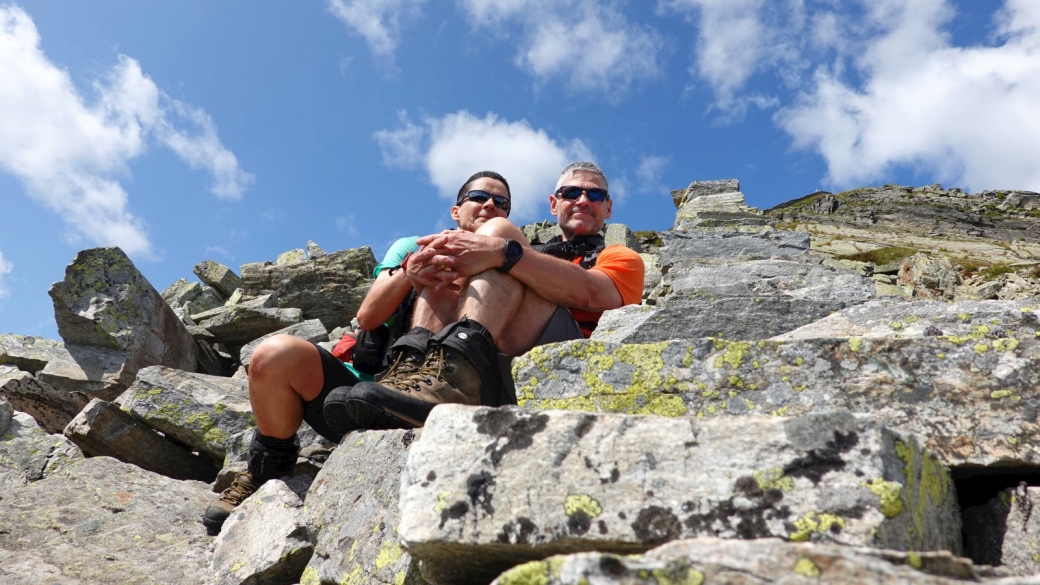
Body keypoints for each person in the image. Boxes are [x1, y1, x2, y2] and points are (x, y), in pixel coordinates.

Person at [201, 170, 513, 533]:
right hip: (367, 392)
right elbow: (368, 316)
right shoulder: (412, 245)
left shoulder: (507, 257)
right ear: (455, 211)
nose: (490, 204)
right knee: (274, 355)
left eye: (501, 202)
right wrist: (411, 272)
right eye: (479, 197)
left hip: (453, 394)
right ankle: (267, 465)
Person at [327, 161, 644, 432]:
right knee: (458, 264)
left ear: (609, 207)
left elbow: (592, 293)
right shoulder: (534, 251)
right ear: (553, 204)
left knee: (499, 244)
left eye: (595, 194)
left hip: (565, 366)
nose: (583, 200)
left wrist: (505, 251)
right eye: (571, 193)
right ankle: (420, 375)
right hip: (500, 368)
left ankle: (452, 377)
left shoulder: (620, 256)